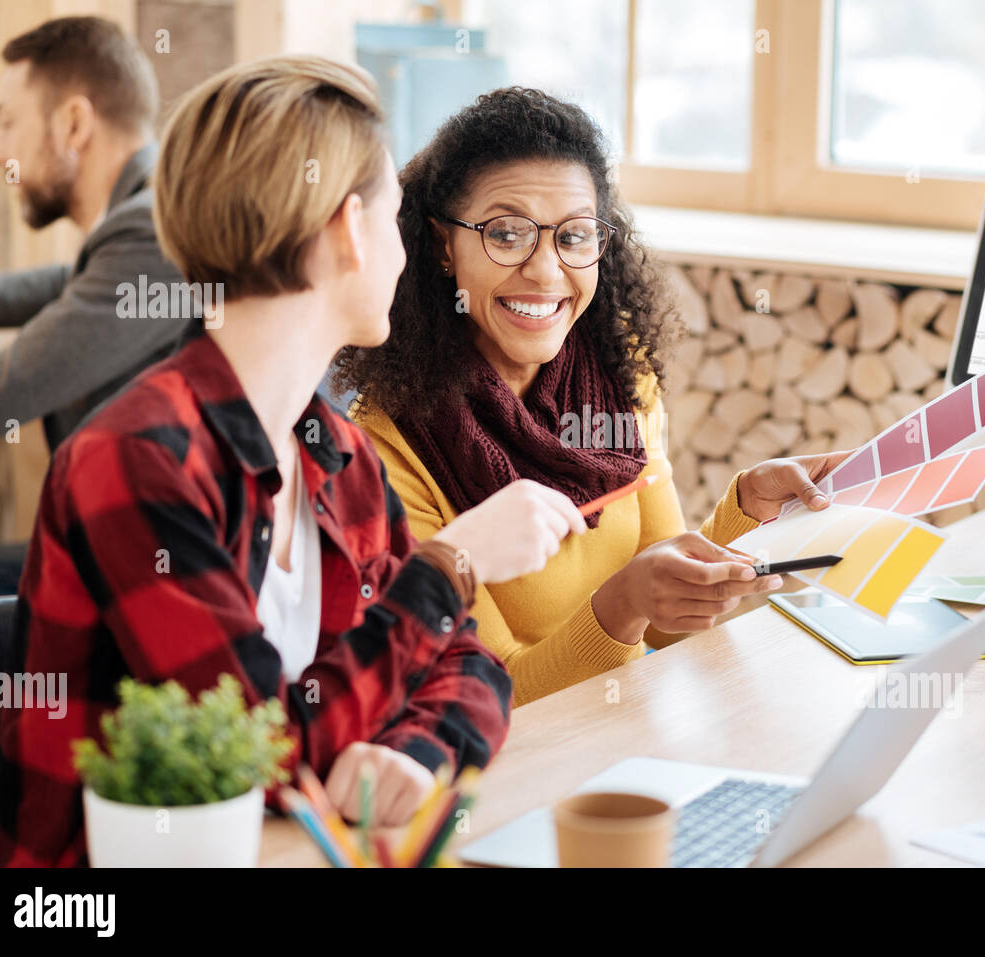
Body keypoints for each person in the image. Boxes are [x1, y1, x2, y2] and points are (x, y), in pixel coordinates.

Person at [0, 57, 586, 867]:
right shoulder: (134, 463)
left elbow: (470, 663)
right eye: (396, 218)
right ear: (347, 228)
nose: (408, 256)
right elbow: (263, 747)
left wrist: (413, 751)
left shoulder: (333, 450)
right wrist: (453, 561)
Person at [336, 88, 848, 707]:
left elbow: (663, 615)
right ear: (444, 245)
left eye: (574, 237)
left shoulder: (620, 379)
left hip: (623, 741)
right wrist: (623, 604)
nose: (547, 272)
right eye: (506, 233)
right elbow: (490, 696)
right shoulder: (387, 447)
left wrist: (749, 510)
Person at [0, 16, 197, 598]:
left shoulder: (152, 232)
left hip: (145, 583)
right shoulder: (143, 217)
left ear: (73, 122)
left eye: (7, 125)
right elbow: (72, 282)